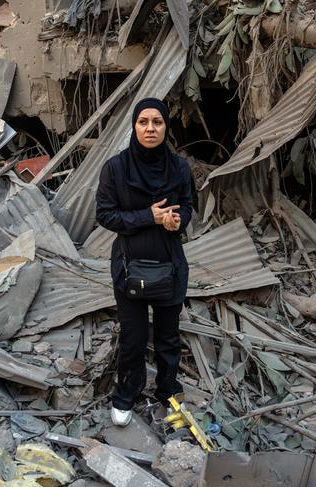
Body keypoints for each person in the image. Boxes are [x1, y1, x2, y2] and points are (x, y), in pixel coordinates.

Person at [96, 98, 193, 427]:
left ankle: (167, 390)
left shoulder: (178, 168)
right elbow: (105, 214)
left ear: (166, 127)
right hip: (130, 265)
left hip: (169, 263)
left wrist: (177, 221)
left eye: (157, 122)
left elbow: (188, 207)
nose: (150, 128)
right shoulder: (116, 168)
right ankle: (128, 392)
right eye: (143, 122)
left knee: (168, 335)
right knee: (134, 336)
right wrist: (148, 216)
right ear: (134, 126)